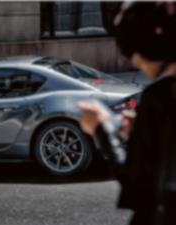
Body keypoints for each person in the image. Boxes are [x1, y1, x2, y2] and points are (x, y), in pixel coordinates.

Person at [78, 2, 176, 225]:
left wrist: (103, 128)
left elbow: (138, 186)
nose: (136, 63)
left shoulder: (160, 97)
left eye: (137, 57)